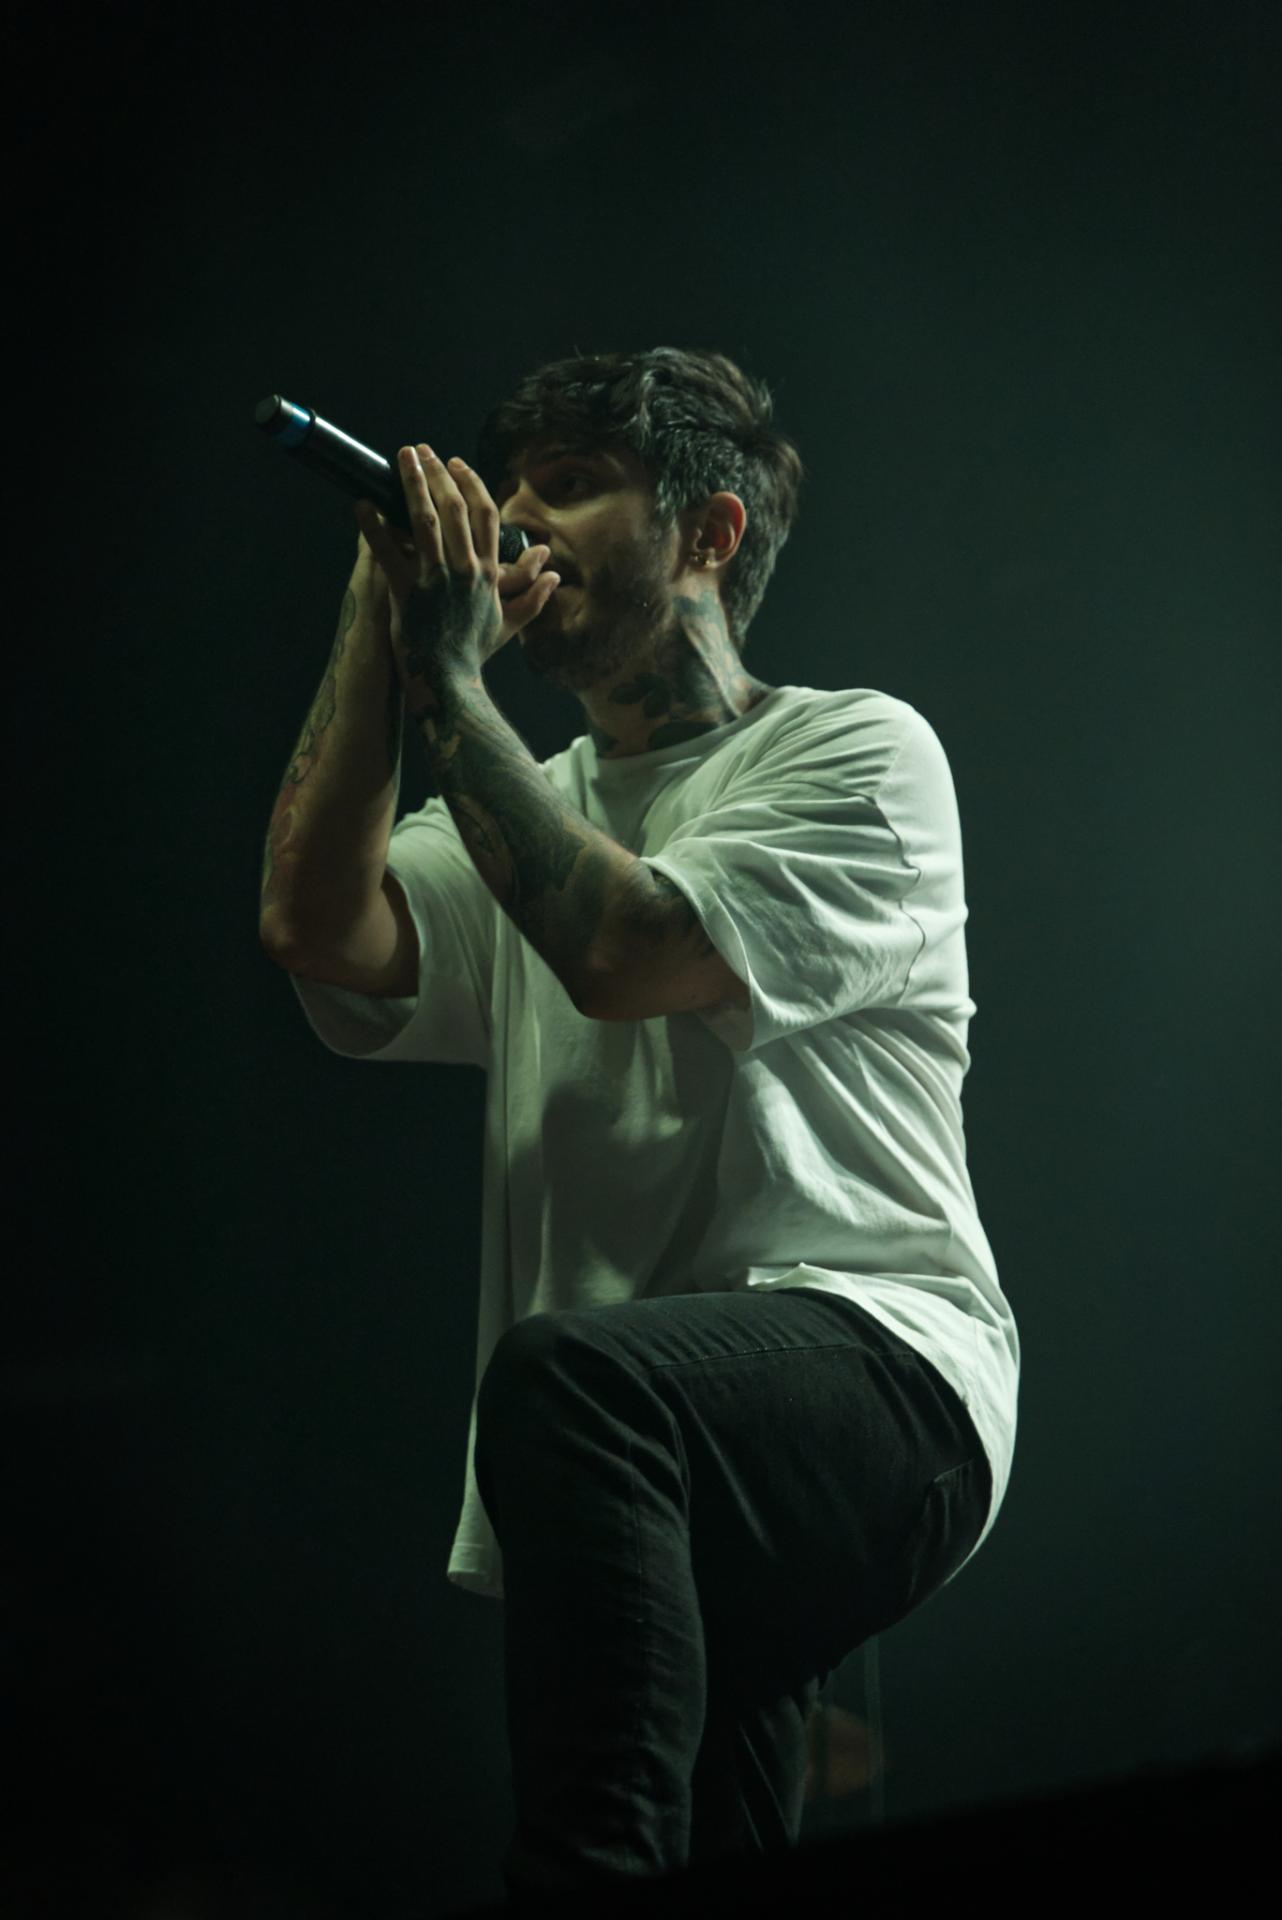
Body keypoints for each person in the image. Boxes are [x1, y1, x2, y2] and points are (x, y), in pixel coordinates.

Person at [258, 345, 1020, 1906]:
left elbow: (621, 951)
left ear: (708, 535)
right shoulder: (516, 801)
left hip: (881, 1375)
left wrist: (450, 680)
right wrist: (378, 617)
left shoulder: (853, 751)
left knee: (571, 1388)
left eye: (571, 485)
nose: (517, 520)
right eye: (506, 488)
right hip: (653, 1451)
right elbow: (316, 928)